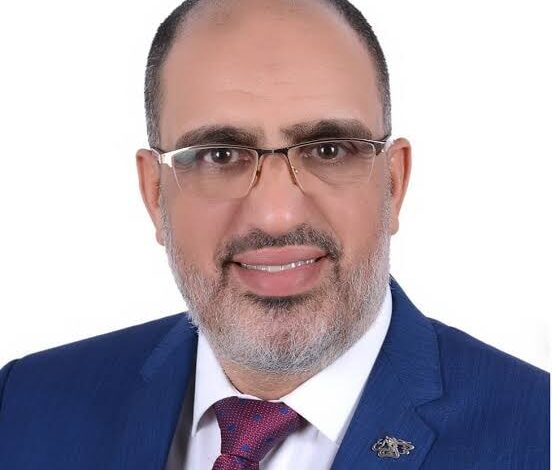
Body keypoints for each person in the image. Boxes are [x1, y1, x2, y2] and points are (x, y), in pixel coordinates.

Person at [0, 0, 548, 468]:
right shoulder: (24, 407)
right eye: (219, 155)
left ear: (394, 183)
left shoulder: (536, 434)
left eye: (329, 150)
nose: (276, 215)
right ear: (154, 193)